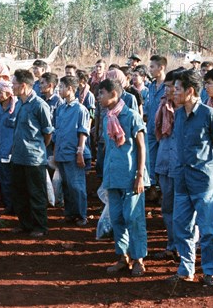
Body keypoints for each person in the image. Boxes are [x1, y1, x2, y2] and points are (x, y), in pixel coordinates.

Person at [170, 69, 213, 286]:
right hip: (182, 179)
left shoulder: (209, 114)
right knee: (181, 226)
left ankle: (210, 271)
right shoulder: (178, 115)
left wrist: (209, 167)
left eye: (177, 89)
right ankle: (186, 268)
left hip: (203, 182)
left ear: (190, 91)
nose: (174, 93)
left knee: (208, 229)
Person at [98, 78, 148, 277]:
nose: (99, 97)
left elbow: (141, 147)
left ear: (113, 94)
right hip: (113, 176)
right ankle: (123, 256)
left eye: (102, 93)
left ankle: (139, 259)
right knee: (117, 218)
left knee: (134, 219)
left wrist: (140, 175)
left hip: (130, 177)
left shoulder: (132, 117)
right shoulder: (106, 118)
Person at [10, 69, 54, 237]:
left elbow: (48, 132)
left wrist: (39, 148)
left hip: (34, 158)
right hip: (18, 157)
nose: (12, 87)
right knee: (20, 194)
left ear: (23, 86)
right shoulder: (20, 103)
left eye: (14, 84)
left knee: (36, 193)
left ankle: (40, 226)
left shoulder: (39, 105)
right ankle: (25, 224)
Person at [152, 69, 181, 261]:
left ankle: (186, 248)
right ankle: (172, 245)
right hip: (164, 162)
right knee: (168, 208)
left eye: (173, 87)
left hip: (182, 166)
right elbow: (154, 135)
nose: (169, 90)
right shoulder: (162, 106)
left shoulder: (189, 111)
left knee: (185, 210)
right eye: (168, 86)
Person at [54, 76, 90, 226]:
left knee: (77, 186)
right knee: (66, 186)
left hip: (73, 153)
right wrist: (55, 152)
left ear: (70, 89)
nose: (59, 90)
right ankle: (70, 213)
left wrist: (80, 152)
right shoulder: (61, 109)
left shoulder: (80, 109)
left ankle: (82, 215)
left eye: (62, 87)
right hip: (62, 152)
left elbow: (83, 132)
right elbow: (57, 132)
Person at [0, 81, 18, 214]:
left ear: (8, 94)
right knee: (3, 179)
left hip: (11, 151)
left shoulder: (15, 108)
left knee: (11, 180)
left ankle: (13, 207)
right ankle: (8, 205)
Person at [145, 55, 167, 196]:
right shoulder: (152, 86)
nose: (150, 69)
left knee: (164, 160)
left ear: (161, 68)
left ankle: (163, 190)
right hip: (151, 128)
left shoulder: (168, 86)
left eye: (152, 67)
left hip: (164, 129)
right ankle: (152, 188)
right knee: (151, 159)